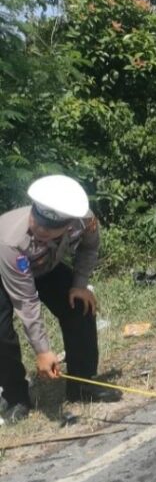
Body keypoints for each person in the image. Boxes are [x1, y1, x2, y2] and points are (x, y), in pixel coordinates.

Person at [0, 175, 121, 425]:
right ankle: (15, 397)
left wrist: (79, 285)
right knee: (1, 334)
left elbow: (89, 248)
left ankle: (82, 384)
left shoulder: (83, 220)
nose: (40, 229)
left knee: (80, 305)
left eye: (49, 227)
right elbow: (26, 302)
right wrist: (43, 351)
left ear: (68, 224)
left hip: (43, 267)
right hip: (6, 270)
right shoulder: (10, 240)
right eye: (38, 219)